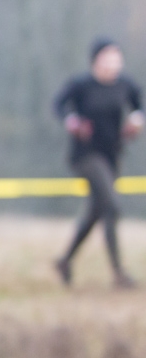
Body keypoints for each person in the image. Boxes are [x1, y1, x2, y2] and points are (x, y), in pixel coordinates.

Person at [53, 38, 142, 289]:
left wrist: (137, 119)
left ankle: (65, 260)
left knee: (97, 210)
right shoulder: (82, 84)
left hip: (112, 155)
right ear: (96, 60)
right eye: (108, 57)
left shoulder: (125, 85)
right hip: (86, 155)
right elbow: (59, 105)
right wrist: (71, 121)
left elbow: (139, 105)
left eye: (117, 58)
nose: (113, 63)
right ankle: (118, 273)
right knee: (111, 205)